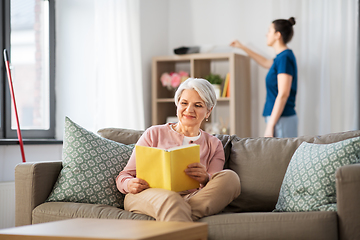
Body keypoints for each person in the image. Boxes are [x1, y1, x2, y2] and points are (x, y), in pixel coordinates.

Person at [116, 78, 241, 222]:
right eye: (184, 103)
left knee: (230, 178)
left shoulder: (214, 144)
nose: (189, 110)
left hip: (191, 198)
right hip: (147, 195)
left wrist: (206, 178)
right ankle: (178, 211)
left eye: (198, 105)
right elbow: (123, 176)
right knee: (171, 200)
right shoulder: (153, 133)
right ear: (177, 105)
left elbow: (214, 184)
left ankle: (177, 213)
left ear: (208, 111)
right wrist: (129, 184)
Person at [230, 17, 298, 138]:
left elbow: (283, 94)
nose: (266, 34)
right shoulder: (280, 58)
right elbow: (265, 62)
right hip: (278, 118)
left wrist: (270, 126)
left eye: (269, 31)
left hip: (281, 119)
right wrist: (242, 47)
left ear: (278, 35)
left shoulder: (284, 58)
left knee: (282, 157)